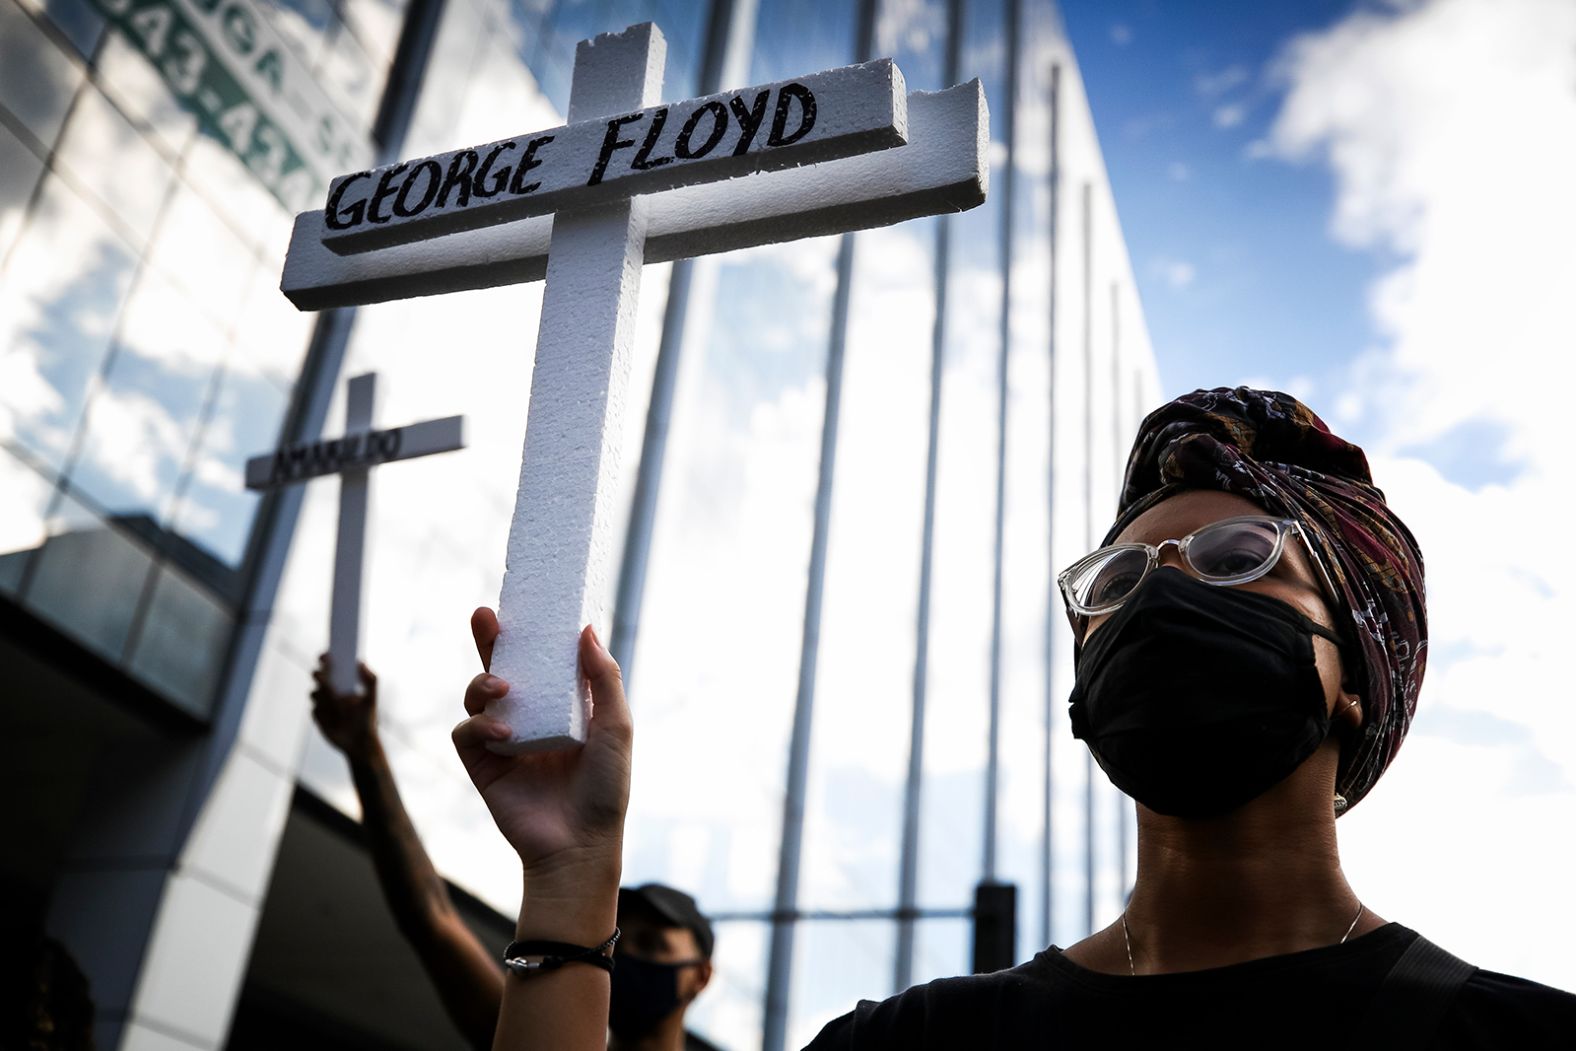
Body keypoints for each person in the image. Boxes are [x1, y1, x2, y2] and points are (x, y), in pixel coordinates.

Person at [451, 388, 1576, 1048]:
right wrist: (570, 875)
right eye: (1120, 581)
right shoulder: (916, 1048)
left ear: (1357, 676)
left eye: (1239, 561)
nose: (1168, 595)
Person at [312, 657, 720, 1051]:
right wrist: (367, 754)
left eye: (651, 943)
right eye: (620, 940)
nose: (627, 954)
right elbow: (431, 920)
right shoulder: (533, 1033)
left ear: (700, 976)